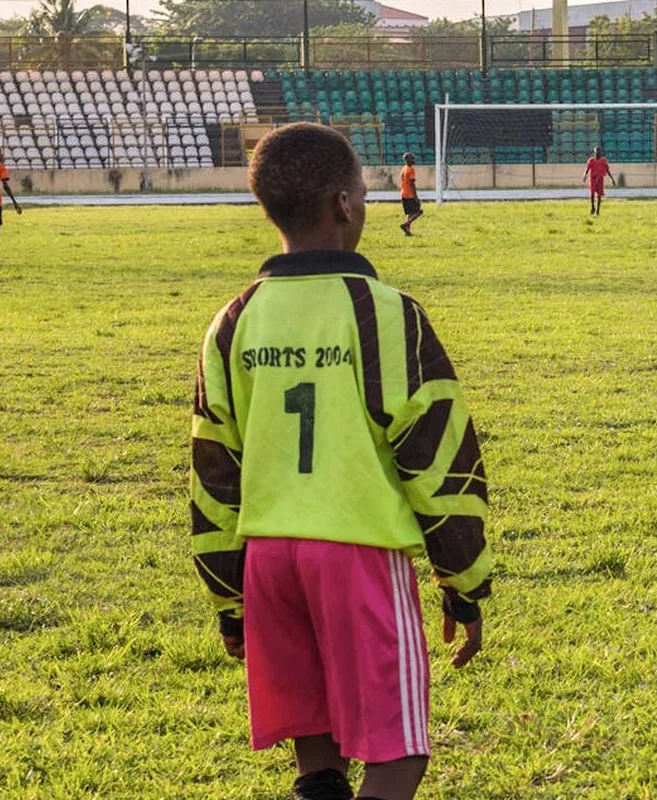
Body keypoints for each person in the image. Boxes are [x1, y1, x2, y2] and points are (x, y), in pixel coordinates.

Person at [190, 122, 493, 800]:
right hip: (358, 556)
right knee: (398, 751)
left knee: (318, 758)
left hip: (269, 562)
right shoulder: (387, 315)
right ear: (344, 204)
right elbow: (441, 460)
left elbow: (213, 472)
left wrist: (230, 600)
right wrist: (463, 583)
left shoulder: (233, 321)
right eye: (364, 191)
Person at [583, 146, 616, 215]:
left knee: (599, 195)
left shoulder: (603, 161)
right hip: (593, 179)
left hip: (600, 179)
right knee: (592, 193)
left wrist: (612, 178)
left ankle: (598, 211)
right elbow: (587, 169)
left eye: (599, 152)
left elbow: (607, 170)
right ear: (595, 152)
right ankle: (593, 207)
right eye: (597, 152)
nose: (598, 153)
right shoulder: (591, 160)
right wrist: (585, 175)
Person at [399, 152, 422, 236]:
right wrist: (416, 197)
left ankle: (407, 231)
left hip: (404, 194)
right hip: (410, 195)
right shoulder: (411, 170)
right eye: (412, 158)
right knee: (418, 212)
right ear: (407, 160)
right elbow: (412, 184)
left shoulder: (404, 168)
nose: (414, 160)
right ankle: (406, 224)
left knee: (410, 213)